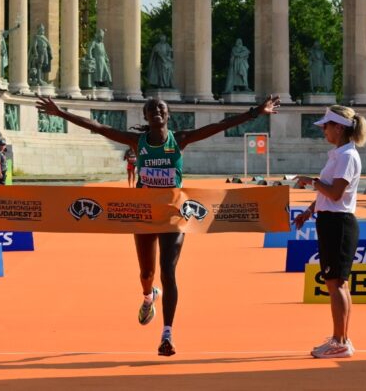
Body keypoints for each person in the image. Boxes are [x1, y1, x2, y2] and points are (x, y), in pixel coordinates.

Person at [36, 94, 280, 356]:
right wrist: (60, 113)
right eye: (151, 109)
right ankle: (148, 295)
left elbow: (219, 126)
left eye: (161, 109)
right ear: (145, 116)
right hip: (143, 214)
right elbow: (98, 128)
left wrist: (257, 111)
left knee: (168, 270)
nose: (156, 112)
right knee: (146, 274)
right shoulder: (136, 142)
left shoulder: (181, 140)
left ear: (168, 115)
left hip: (173, 214)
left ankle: (167, 334)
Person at [293, 105, 366, 359]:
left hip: (338, 223)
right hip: (333, 221)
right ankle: (341, 339)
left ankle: (339, 341)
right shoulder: (340, 154)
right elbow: (330, 192)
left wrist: (310, 181)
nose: (323, 130)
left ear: (339, 127)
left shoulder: (347, 156)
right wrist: (309, 210)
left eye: (326, 126)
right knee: (338, 284)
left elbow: (335, 193)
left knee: (335, 284)